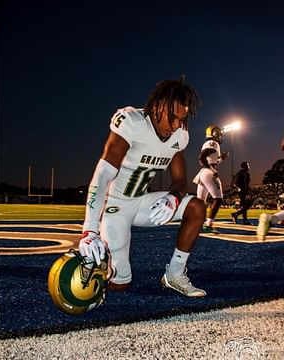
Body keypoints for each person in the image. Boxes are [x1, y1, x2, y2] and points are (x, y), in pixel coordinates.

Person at [77, 77, 207, 297]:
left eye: (181, 120)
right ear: (158, 107)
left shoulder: (179, 135)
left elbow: (180, 180)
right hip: (116, 207)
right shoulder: (131, 122)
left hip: (142, 203)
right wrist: (90, 228)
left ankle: (174, 274)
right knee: (120, 284)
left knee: (196, 207)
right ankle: (97, 265)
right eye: (173, 117)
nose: (176, 125)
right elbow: (103, 175)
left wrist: (174, 197)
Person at [192, 125, 229, 233]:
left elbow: (211, 160)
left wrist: (221, 158)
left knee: (201, 201)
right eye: (219, 133)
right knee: (218, 199)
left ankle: (197, 223)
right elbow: (202, 157)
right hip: (208, 173)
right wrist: (212, 170)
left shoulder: (209, 143)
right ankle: (209, 224)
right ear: (214, 133)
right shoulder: (213, 143)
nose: (221, 136)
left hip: (203, 172)